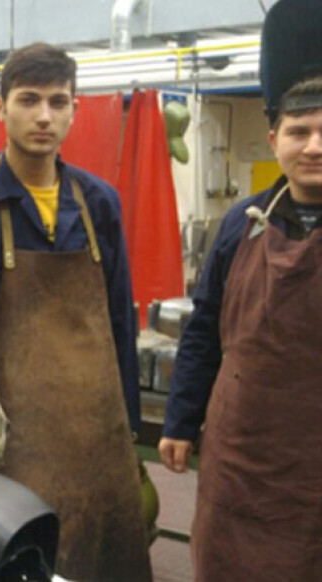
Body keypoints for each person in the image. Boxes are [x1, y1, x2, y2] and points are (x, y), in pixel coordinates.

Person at [0, 42, 150, 579]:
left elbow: (117, 323)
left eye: (58, 102)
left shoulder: (98, 203)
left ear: (74, 109)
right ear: (0, 108)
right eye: (28, 100)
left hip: (96, 446)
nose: (44, 116)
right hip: (4, 436)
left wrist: (128, 427)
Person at [160, 0, 322, 576]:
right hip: (243, 453)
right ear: (274, 137)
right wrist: (180, 419)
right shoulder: (242, 222)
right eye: (299, 132)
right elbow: (204, 327)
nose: (314, 146)